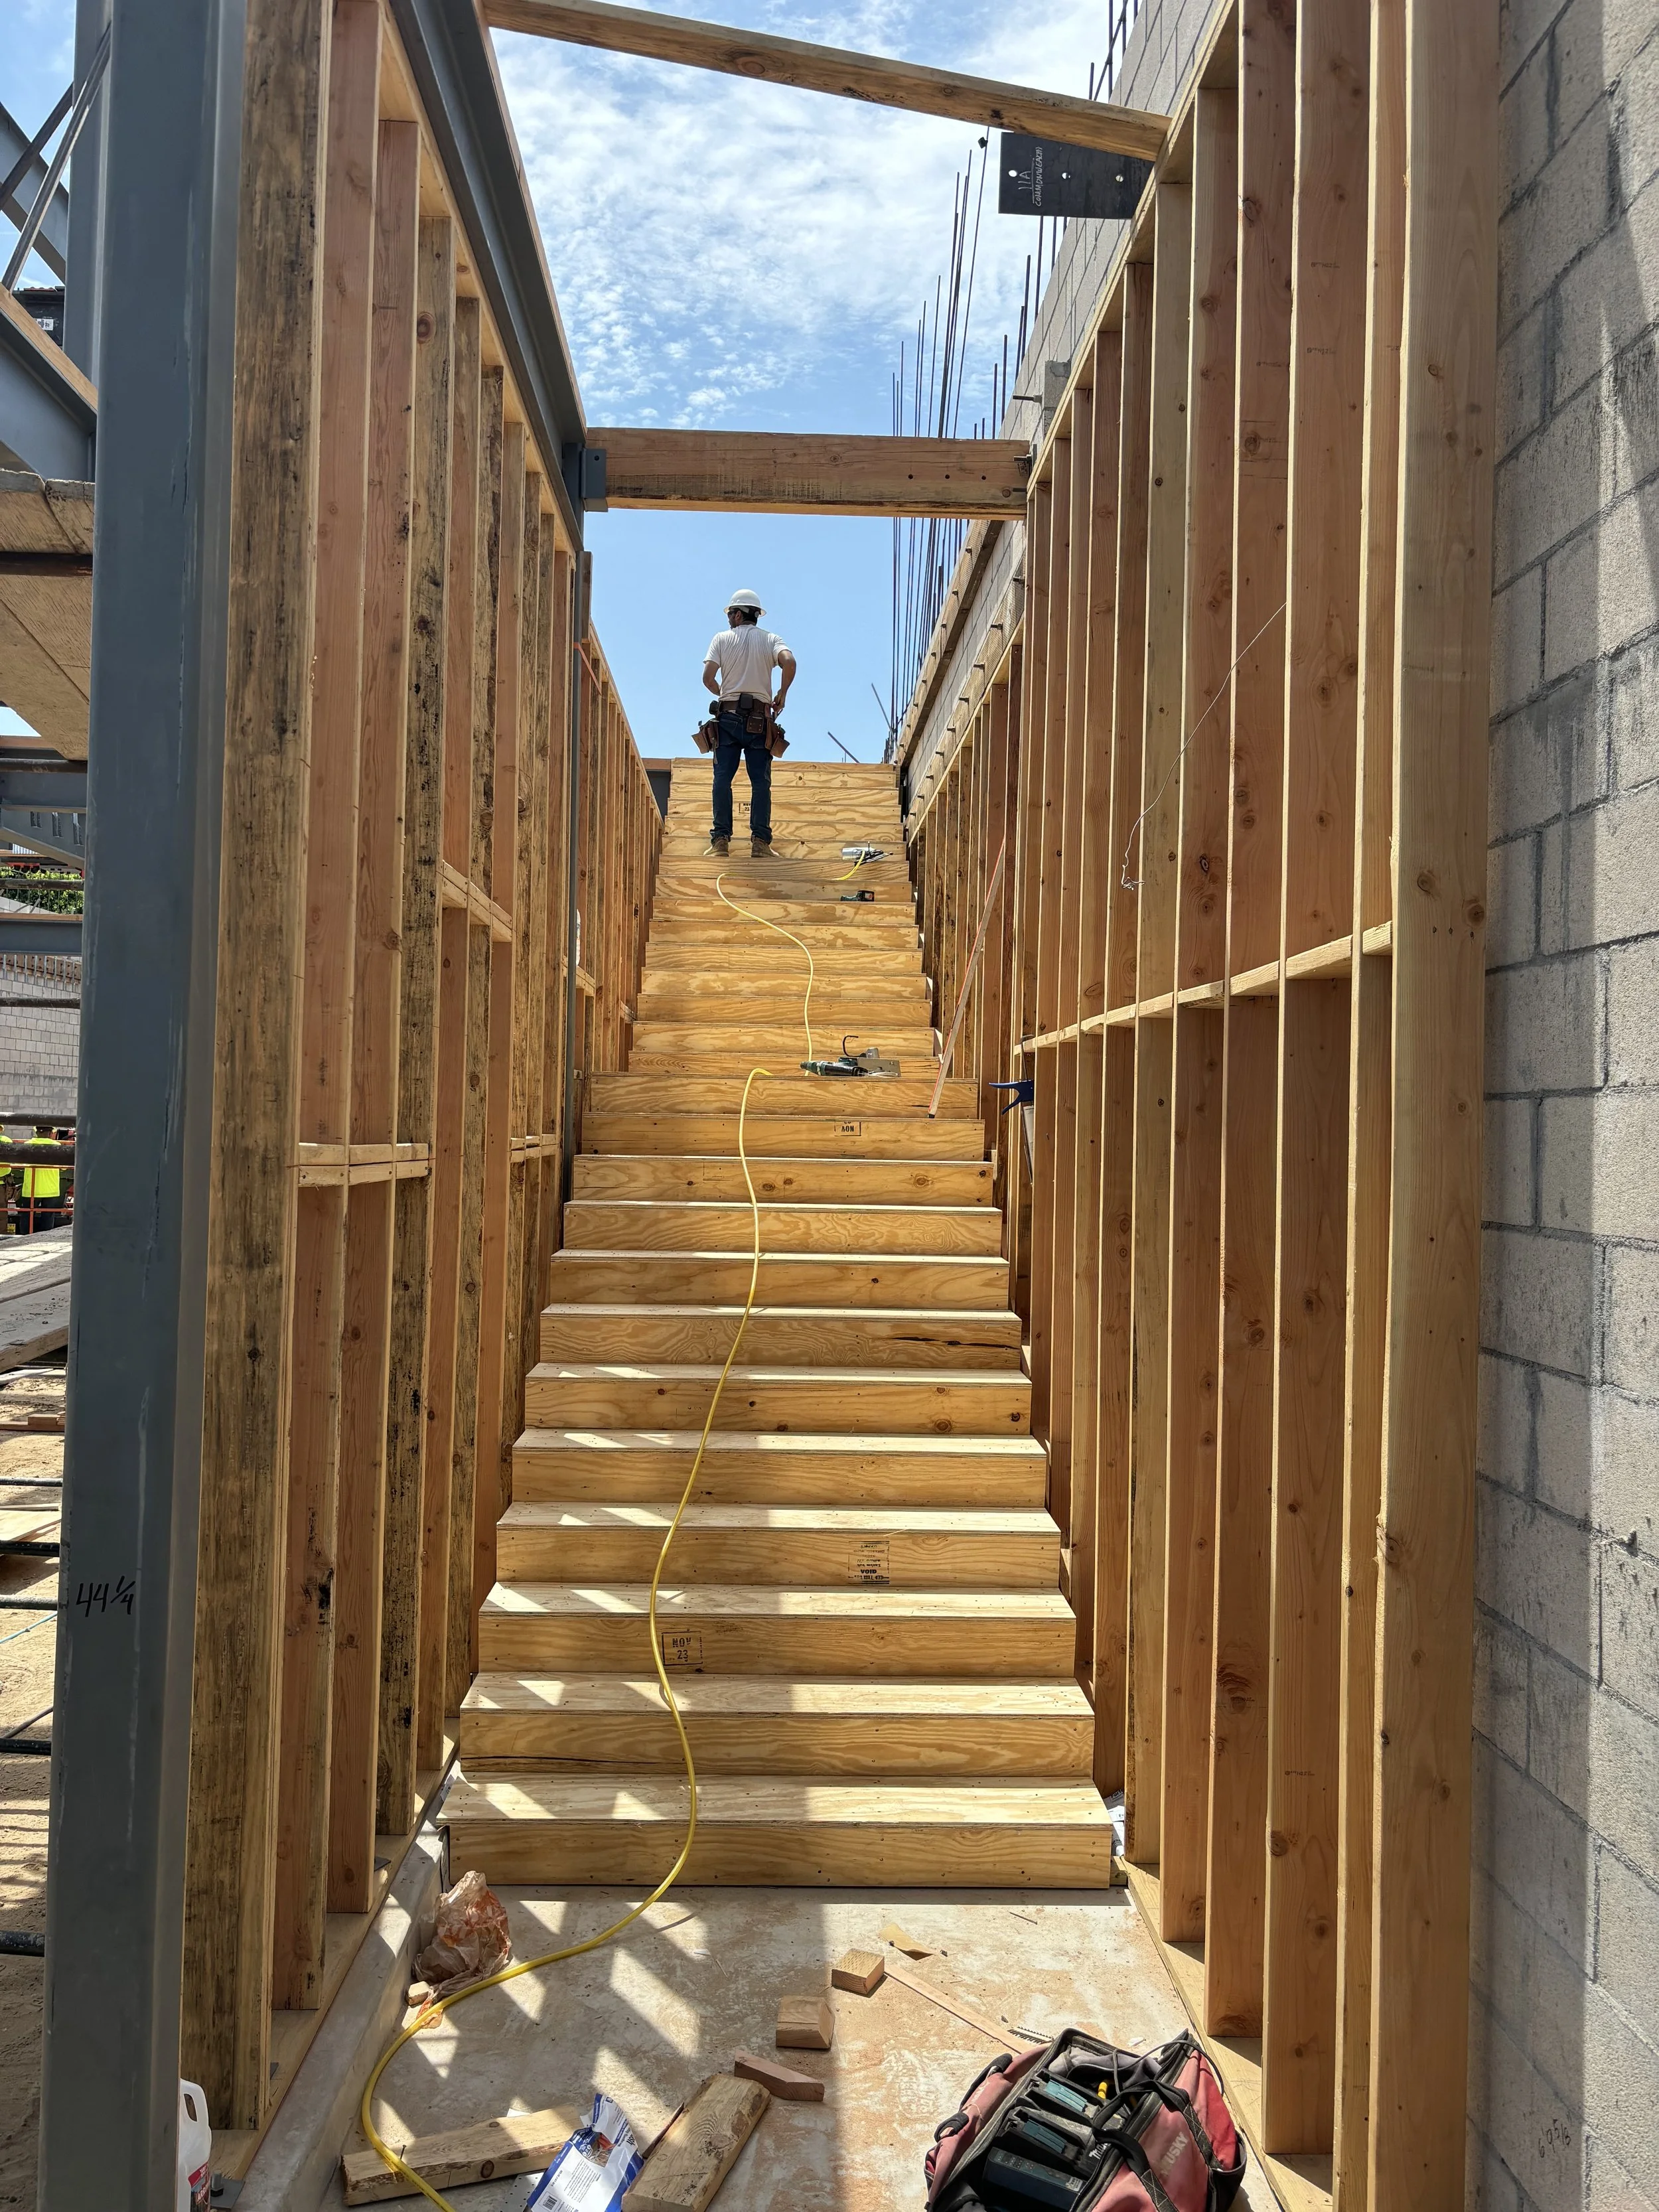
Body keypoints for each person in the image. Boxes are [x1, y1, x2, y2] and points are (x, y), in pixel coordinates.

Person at [701, 589, 796, 857]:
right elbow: (789, 662)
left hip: (728, 720)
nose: (728, 619)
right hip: (759, 721)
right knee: (760, 781)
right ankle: (760, 843)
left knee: (722, 779)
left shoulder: (721, 639)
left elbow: (707, 679)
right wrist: (782, 693)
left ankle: (720, 841)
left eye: (730, 614)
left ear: (739, 613)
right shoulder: (770, 640)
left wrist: (724, 693)